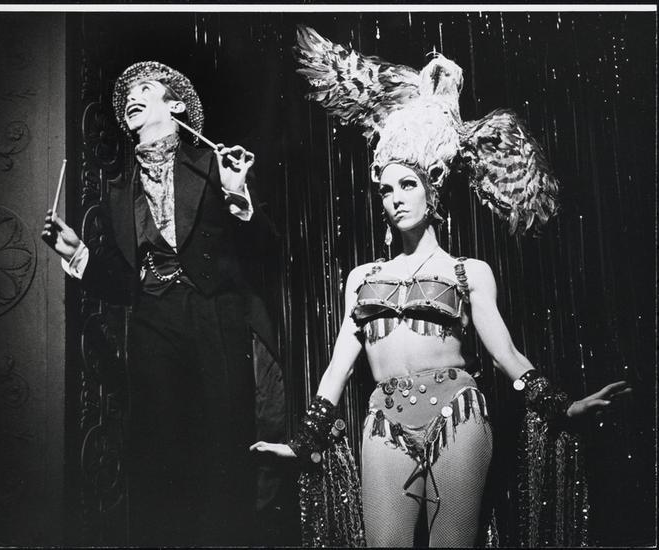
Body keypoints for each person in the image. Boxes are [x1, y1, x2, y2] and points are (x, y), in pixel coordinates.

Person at [250, 27, 631, 548]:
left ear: (432, 190)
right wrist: (304, 440)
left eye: (407, 184)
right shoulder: (363, 278)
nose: (395, 198)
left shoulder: (468, 272)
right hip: (384, 420)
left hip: (458, 413)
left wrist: (563, 408)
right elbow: (338, 366)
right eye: (385, 189)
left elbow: (507, 356)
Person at [42, 61, 280, 546]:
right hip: (152, 320)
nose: (131, 95)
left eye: (145, 88)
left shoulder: (216, 164)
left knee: (223, 450)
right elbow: (123, 283)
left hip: (215, 316)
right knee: (159, 455)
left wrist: (239, 197)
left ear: (176, 106)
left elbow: (267, 253)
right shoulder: (118, 189)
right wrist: (78, 254)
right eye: (128, 92)